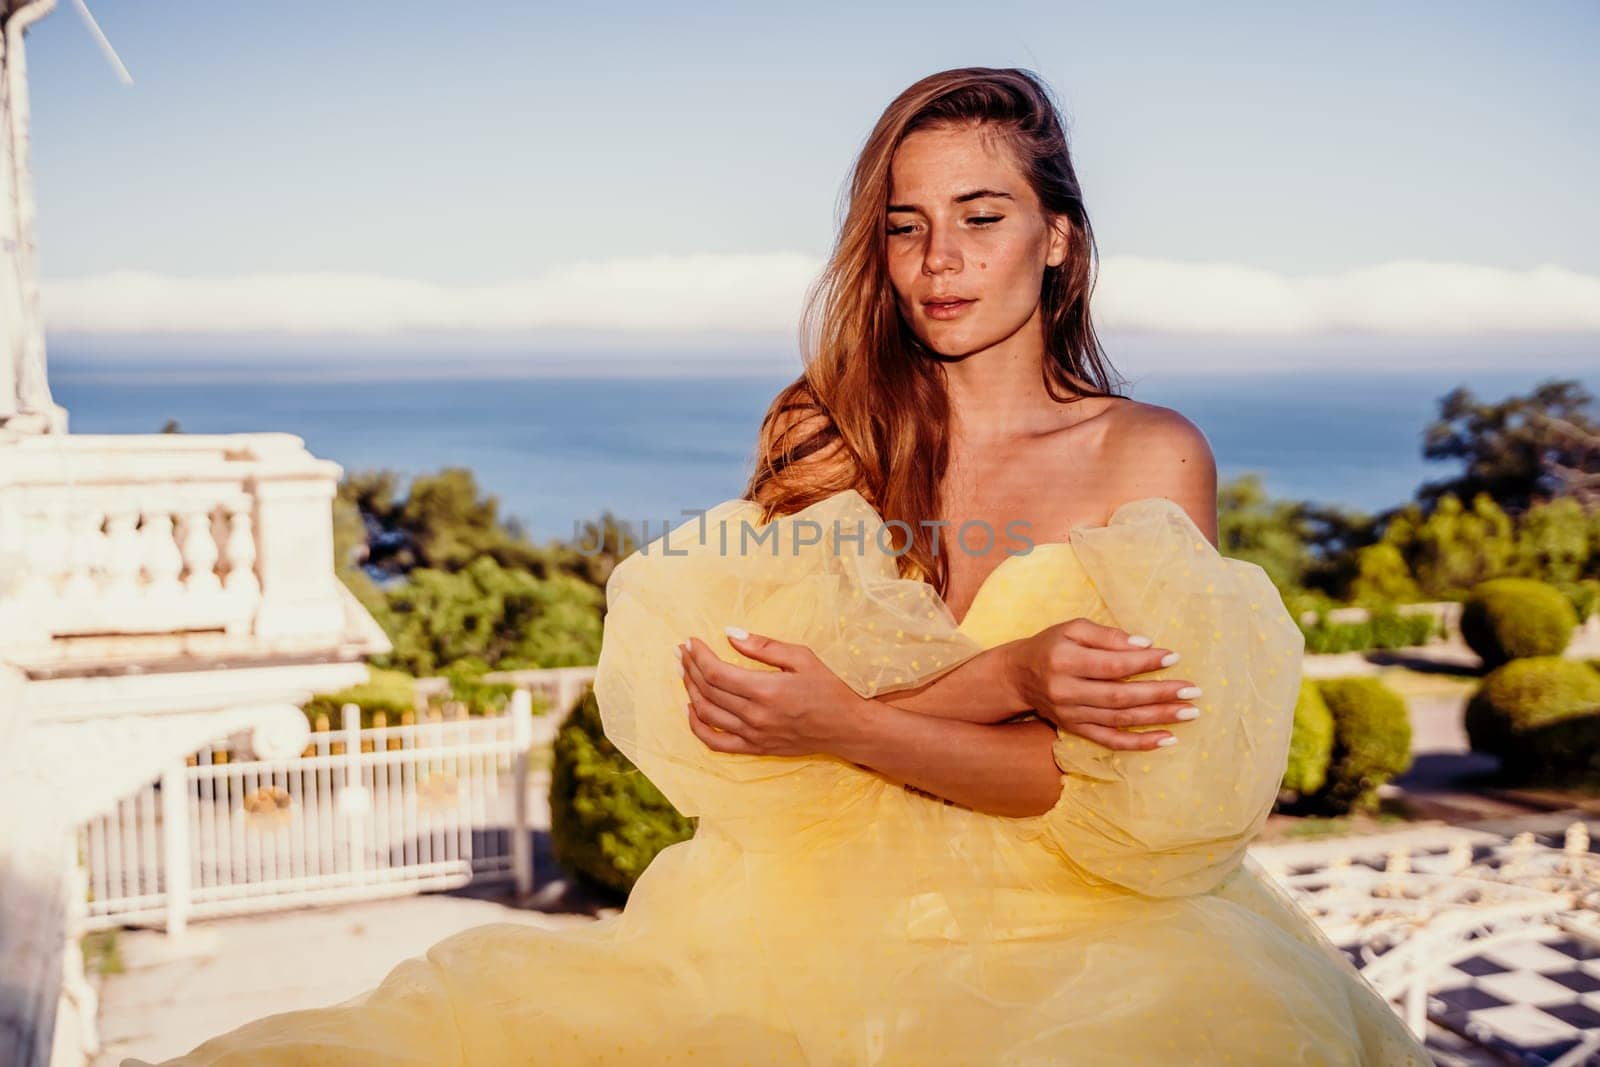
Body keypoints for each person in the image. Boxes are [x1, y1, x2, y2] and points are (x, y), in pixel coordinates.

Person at [131, 67, 1432, 1066]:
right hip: (791, 919)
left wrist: (851, 718)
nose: (941, 260)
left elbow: (1111, 807)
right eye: (908, 225)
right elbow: (749, 733)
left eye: (984, 217)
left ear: (1059, 240)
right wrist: (998, 679)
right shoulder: (822, 435)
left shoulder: (1147, 458)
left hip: (1096, 937)